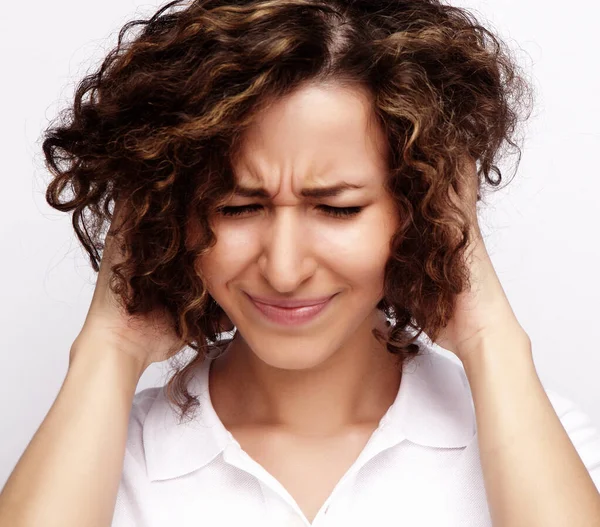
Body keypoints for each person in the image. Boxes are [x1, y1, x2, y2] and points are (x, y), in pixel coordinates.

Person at [1, 0, 599, 526]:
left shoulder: (543, 444)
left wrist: (490, 334)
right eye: (235, 207)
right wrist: (109, 345)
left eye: (337, 209)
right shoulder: (96, 459)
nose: (284, 271)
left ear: (420, 208)